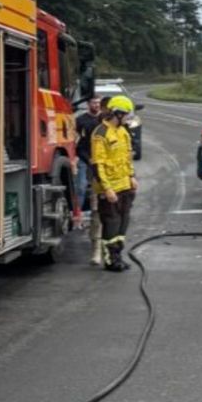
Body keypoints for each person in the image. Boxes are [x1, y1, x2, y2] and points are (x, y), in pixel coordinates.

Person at [91, 95, 138, 272]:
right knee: (111, 224)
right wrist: (107, 189)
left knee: (122, 224)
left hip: (125, 185)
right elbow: (98, 164)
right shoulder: (101, 133)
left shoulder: (123, 131)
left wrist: (132, 176)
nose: (127, 117)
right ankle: (110, 260)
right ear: (117, 113)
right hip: (110, 188)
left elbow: (127, 158)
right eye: (125, 114)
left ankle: (118, 256)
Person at [74, 96, 103, 263]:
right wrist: (83, 158)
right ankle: (78, 216)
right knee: (81, 186)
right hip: (87, 159)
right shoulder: (81, 120)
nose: (96, 105)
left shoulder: (104, 121)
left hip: (102, 161)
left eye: (98, 103)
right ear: (88, 104)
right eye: (93, 102)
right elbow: (77, 142)